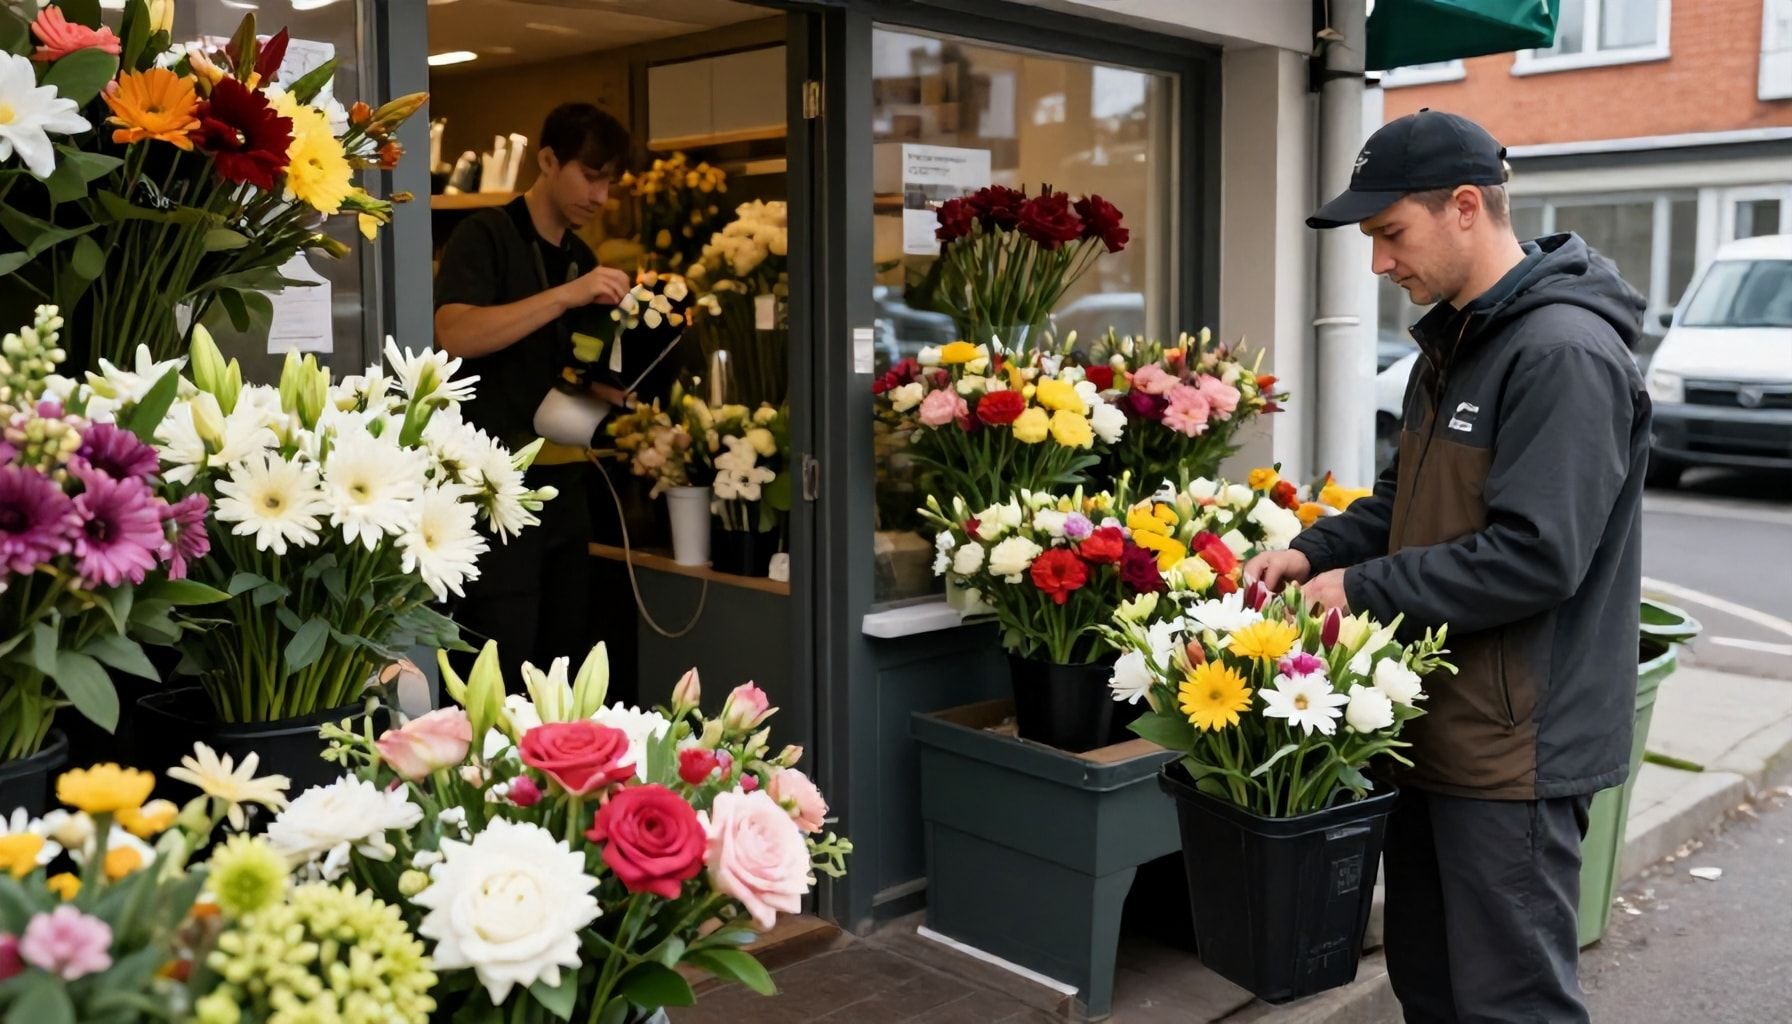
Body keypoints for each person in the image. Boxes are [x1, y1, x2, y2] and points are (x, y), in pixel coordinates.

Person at [1244, 109, 1649, 1022]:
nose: (1379, 263)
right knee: (1429, 988)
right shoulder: (1456, 341)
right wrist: (1312, 551)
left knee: (1510, 1004)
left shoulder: (1562, 353)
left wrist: (1358, 589)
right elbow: (1404, 504)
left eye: (1391, 233)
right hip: (1435, 727)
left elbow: (1536, 557)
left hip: (1516, 750)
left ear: (1466, 206)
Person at [433, 102, 634, 688]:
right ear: (547, 160)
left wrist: (623, 383)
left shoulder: (580, 259)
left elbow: (576, 369)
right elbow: (455, 334)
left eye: (609, 182)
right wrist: (567, 296)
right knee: (497, 657)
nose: (599, 196)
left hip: (565, 483)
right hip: (493, 489)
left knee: (560, 661)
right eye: (590, 176)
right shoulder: (486, 235)